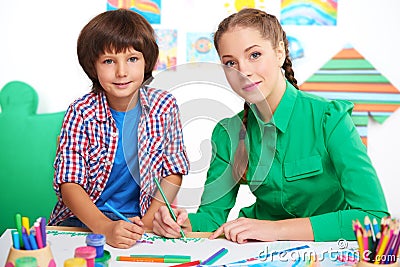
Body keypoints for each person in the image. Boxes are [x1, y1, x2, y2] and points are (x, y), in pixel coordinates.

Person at [152, 8, 389, 243]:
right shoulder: (228, 133)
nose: (243, 71)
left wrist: (275, 230)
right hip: (256, 254)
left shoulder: (330, 118)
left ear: (279, 53)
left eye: (254, 55)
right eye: (230, 63)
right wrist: (179, 223)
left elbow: (375, 219)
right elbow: (212, 219)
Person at [48, 9, 189, 248]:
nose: (121, 72)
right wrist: (104, 228)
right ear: (93, 66)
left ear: (147, 62)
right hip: (84, 222)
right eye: (109, 61)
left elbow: (173, 170)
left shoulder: (165, 106)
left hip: (142, 218)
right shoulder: (81, 111)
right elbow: (69, 183)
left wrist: (145, 223)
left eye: (132, 59)